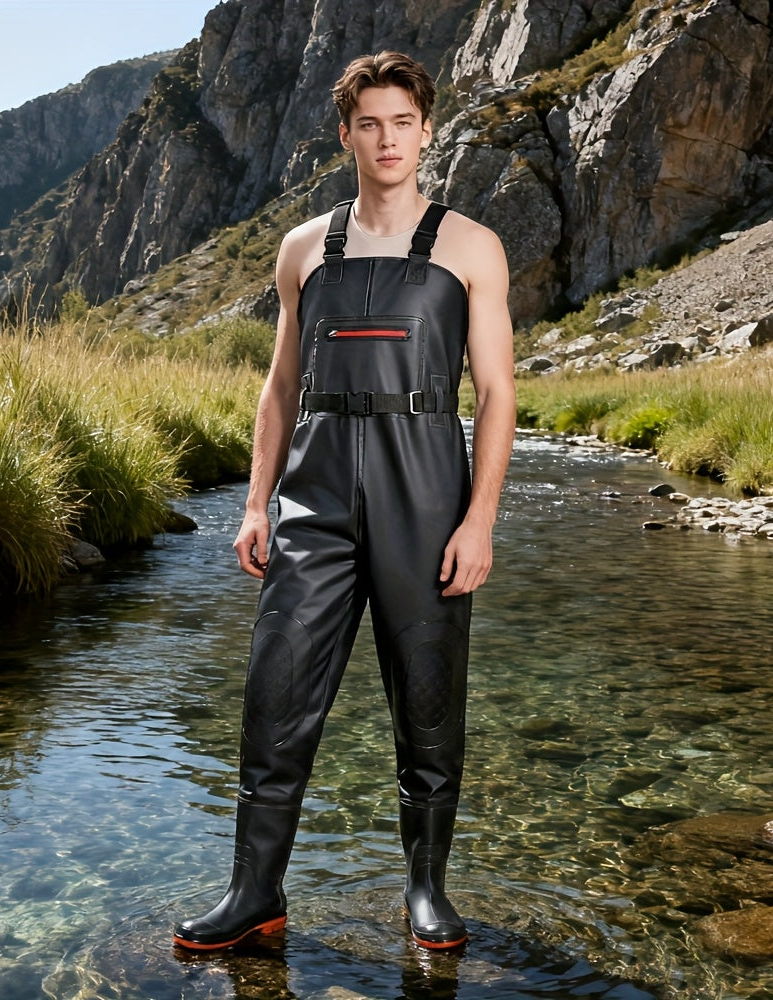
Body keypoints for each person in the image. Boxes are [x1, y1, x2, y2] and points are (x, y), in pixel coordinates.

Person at [173, 50, 516, 953]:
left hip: (426, 496)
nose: (387, 139)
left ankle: (426, 892)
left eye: (402, 122)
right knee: (274, 693)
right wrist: (257, 505)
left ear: (426, 131)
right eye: (370, 124)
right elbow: (281, 385)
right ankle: (254, 893)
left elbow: (496, 393)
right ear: (346, 135)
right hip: (314, 498)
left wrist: (479, 520)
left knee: (429, 702)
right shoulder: (303, 247)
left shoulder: (472, 246)